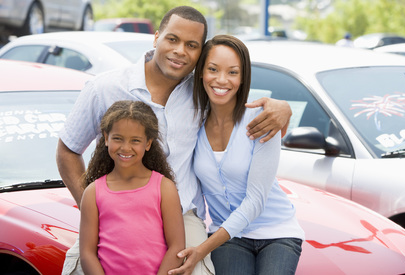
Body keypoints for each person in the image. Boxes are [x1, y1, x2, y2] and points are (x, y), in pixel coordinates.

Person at [57, 6, 292, 275]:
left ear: (200, 54)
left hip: (182, 217)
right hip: (114, 213)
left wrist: (281, 107)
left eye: (191, 45)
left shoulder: (201, 91)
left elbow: (233, 94)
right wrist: (93, 210)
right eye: (172, 39)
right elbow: (67, 150)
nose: (180, 50)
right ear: (156, 37)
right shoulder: (105, 87)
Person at [168, 35, 305, 275]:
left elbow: (255, 201)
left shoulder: (262, 119)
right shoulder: (192, 124)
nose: (222, 80)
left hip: (277, 232)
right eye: (213, 69)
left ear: (243, 79)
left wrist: (201, 249)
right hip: (228, 238)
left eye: (232, 72)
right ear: (201, 73)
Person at [79, 100, 184, 274]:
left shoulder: (164, 188)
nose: (126, 147)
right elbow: (87, 254)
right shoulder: (93, 192)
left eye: (135, 140)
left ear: (148, 143)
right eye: (118, 139)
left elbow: (176, 247)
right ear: (106, 138)